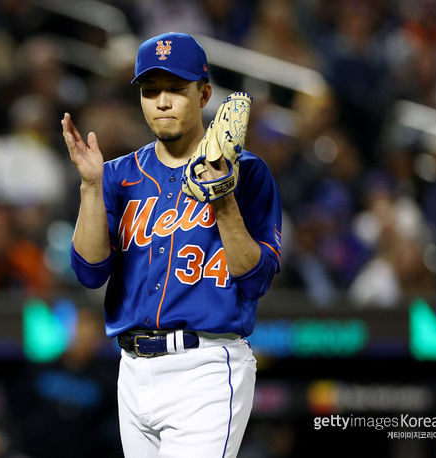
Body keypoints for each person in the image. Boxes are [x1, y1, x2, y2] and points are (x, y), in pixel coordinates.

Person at [62, 32, 282, 457]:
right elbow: (89, 273)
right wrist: (91, 186)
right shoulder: (116, 174)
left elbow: (255, 281)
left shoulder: (248, 173)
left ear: (203, 94)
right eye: (150, 91)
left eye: (175, 89)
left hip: (206, 367)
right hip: (131, 369)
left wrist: (223, 198)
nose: (161, 101)